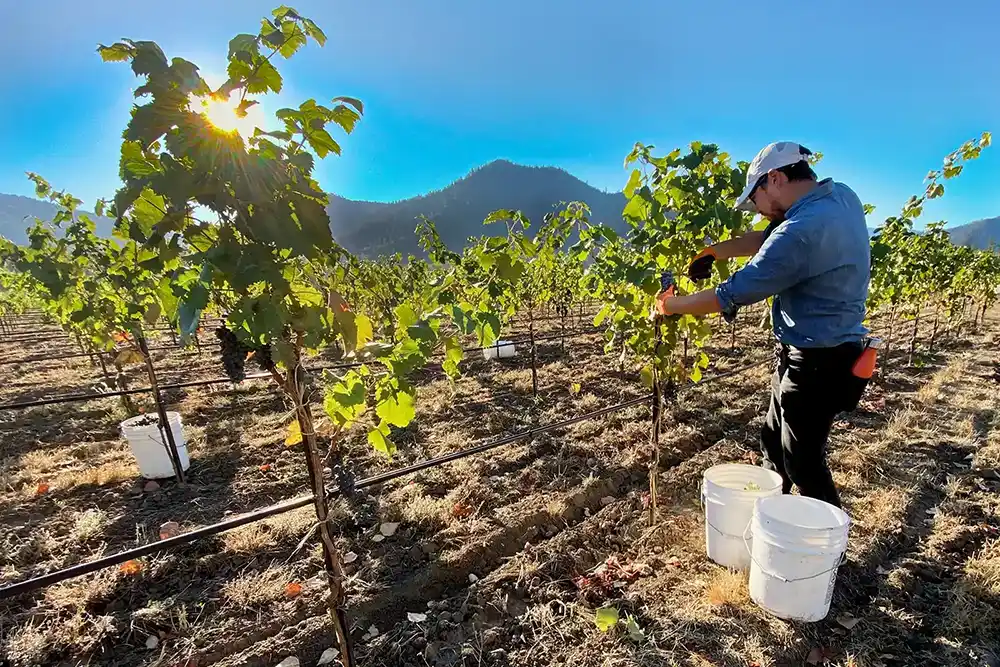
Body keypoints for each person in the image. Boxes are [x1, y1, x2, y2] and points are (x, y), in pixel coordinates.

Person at [657, 141, 871, 508]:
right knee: (774, 443)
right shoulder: (839, 198)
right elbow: (774, 235)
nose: (756, 210)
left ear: (774, 178)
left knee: (803, 463)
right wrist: (714, 251)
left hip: (817, 361)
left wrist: (671, 306)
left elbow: (731, 293)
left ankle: (826, 550)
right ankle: (774, 520)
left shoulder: (800, 232)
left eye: (754, 198)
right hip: (819, 352)